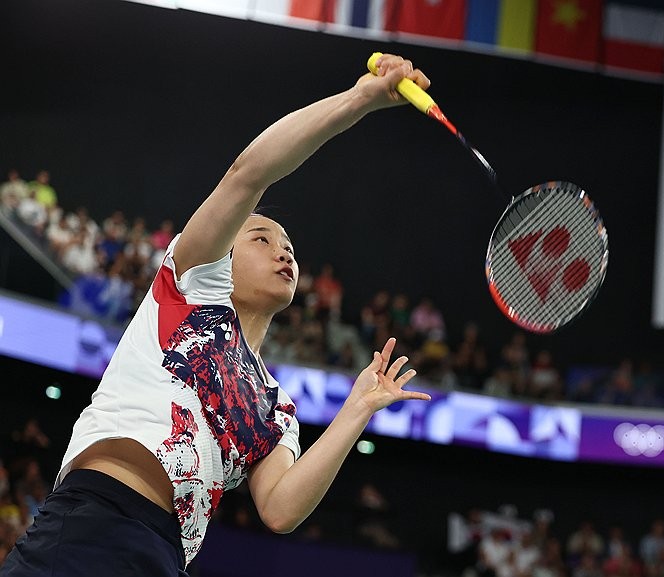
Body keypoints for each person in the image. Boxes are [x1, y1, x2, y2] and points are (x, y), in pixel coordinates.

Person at [0, 52, 434, 576]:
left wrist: (357, 410)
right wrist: (360, 99)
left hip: (165, 558)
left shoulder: (275, 407)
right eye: (263, 238)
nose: (284, 253)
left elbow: (280, 509)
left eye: (290, 248)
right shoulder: (191, 287)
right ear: (224, 254)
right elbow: (249, 173)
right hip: (94, 518)